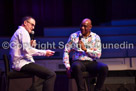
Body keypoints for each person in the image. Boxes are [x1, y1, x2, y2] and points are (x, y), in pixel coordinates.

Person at [10, 16, 56, 91]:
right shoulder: (23, 32)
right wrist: (44, 53)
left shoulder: (20, 32)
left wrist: (30, 46)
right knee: (51, 74)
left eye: (34, 25)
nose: (33, 28)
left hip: (21, 62)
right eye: (32, 24)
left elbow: (24, 49)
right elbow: (27, 50)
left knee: (44, 75)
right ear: (25, 23)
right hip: (21, 63)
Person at [63, 18, 108, 91]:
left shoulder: (96, 37)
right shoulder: (74, 36)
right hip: (78, 61)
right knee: (76, 66)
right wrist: (67, 66)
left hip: (91, 62)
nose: (82, 28)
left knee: (104, 67)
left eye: (85, 26)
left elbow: (98, 55)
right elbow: (66, 51)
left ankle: (97, 89)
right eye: (81, 25)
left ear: (90, 27)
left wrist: (86, 50)